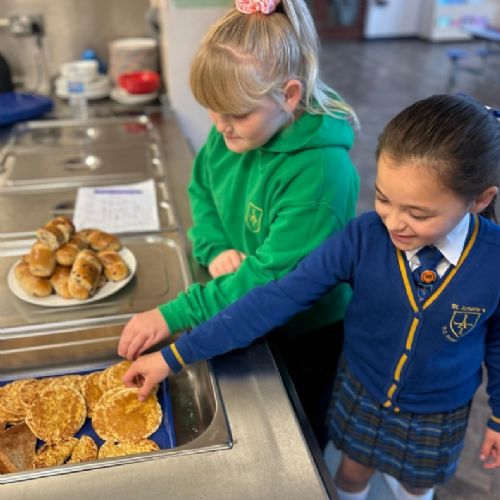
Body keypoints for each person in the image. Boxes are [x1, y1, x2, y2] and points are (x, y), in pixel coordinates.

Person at [122, 94, 500, 500]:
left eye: (419, 214)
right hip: (363, 391)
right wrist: (174, 355)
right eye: (382, 199)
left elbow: (497, 342)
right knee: (351, 473)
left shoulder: (493, 261)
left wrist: (497, 415)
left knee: (417, 484)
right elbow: (276, 298)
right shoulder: (362, 238)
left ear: (480, 199)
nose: (394, 223)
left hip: (439, 410)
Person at [118, 0, 360, 448]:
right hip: (238, 302)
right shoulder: (233, 131)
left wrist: (176, 315)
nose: (221, 128)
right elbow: (203, 190)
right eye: (213, 111)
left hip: (305, 333)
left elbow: (271, 283)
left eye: (237, 115)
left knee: (301, 432)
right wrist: (212, 247)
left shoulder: (321, 174)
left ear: (289, 95)